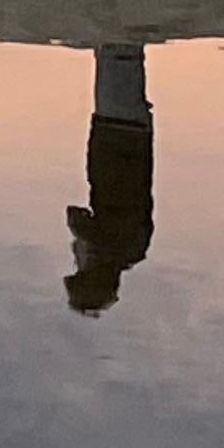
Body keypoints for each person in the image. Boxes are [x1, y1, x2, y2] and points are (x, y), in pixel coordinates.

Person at [65, 45, 156, 315]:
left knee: (123, 59)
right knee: (117, 51)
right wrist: (82, 248)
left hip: (133, 138)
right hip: (114, 135)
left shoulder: (132, 250)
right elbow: (75, 216)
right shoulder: (103, 245)